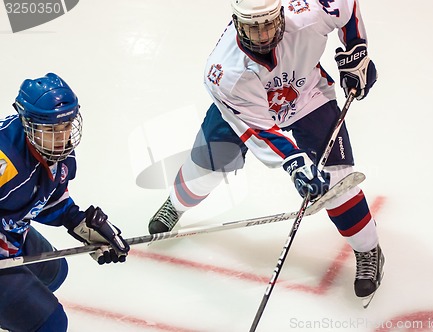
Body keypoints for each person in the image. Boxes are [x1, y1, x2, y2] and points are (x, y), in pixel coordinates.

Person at [149, 0, 384, 304]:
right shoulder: (225, 72)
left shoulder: (309, 15)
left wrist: (356, 51)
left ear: (281, 14)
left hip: (306, 95)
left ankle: (368, 248)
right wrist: (295, 162)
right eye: (252, 27)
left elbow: (347, 8)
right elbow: (259, 129)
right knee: (206, 168)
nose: (261, 36)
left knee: (337, 181)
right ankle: (176, 204)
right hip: (246, 110)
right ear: (236, 22)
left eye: (268, 25)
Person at [0, 73, 130, 331]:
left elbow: (45, 200)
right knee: (52, 324)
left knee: (54, 273)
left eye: (66, 126)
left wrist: (80, 223)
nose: (61, 138)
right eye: (51, 130)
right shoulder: (6, 161)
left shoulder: (56, 153)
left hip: (12, 233)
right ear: (29, 125)